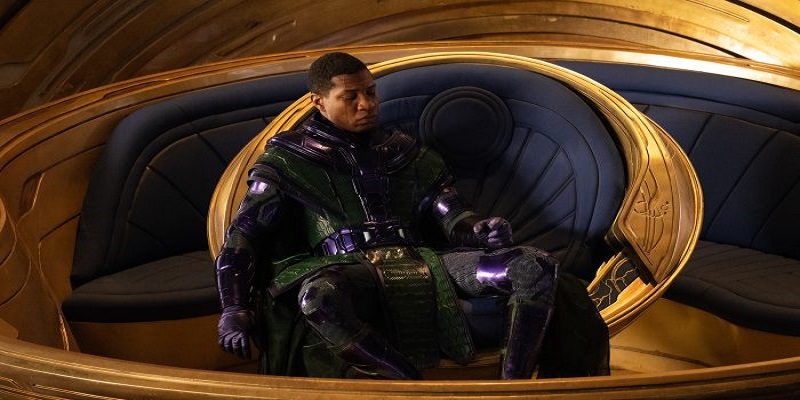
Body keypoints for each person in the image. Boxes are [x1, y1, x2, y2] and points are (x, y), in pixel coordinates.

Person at [215, 51, 609, 379]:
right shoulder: (287, 160)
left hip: (426, 260)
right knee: (318, 298)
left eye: (370, 92)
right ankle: (410, 386)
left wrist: (480, 230)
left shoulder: (405, 151)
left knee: (533, 266)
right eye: (350, 97)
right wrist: (234, 307)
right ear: (319, 101)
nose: (367, 104)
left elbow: (453, 216)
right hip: (347, 268)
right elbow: (243, 236)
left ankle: (514, 388)